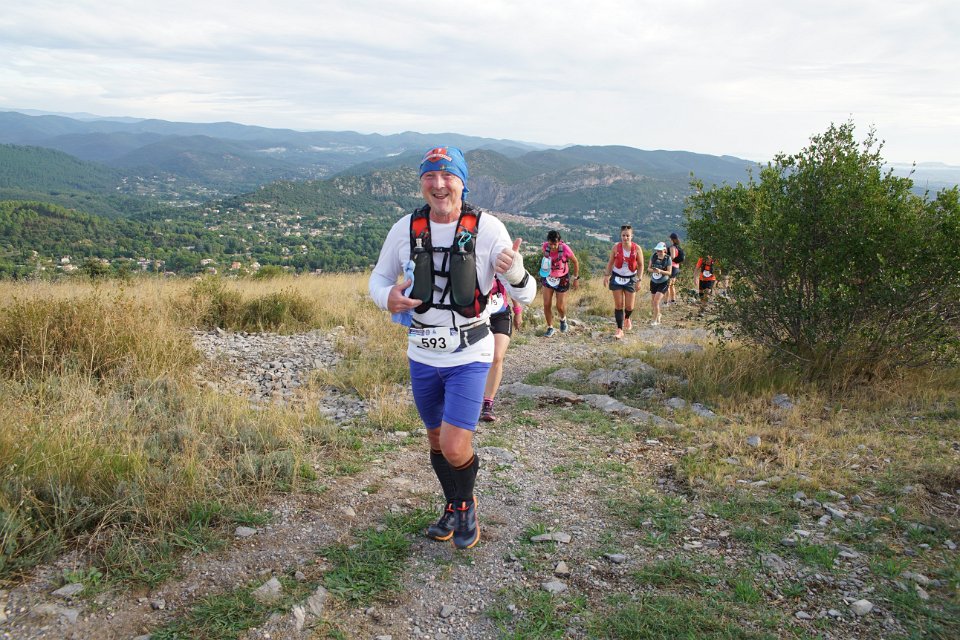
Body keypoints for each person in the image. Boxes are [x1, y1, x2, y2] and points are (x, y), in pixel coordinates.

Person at [369, 146, 536, 550]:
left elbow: (526, 294)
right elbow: (378, 278)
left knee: (454, 445)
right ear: (421, 183)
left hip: (470, 352)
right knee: (434, 439)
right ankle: (454, 504)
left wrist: (515, 272)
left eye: (448, 176)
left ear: (462, 182)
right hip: (422, 352)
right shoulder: (405, 229)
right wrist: (386, 297)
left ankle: (466, 504)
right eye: (430, 176)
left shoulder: (488, 229)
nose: (439, 185)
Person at [480, 275, 517, 422]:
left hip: (501, 313)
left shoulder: (500, 265)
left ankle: (488, 403)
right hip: (477, 314)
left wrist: (518, 310)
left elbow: (511, 284)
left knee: (497, 356)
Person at [602, 225, 643, 339]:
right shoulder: (616, 247)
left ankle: (627, 317)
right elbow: (610, 262)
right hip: (617, 277)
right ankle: (619, 329)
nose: (625, 238)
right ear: (621, 236)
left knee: (629, 306)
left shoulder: (637, 248)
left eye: (627, 236)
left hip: (631, 278)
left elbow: (640, 265)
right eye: (623, 235)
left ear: (631, 236)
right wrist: (607, 275)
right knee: (619, 305)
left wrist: (639, 280)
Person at [539, 230, 580, 337]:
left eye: (555, 244)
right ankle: (550, 327)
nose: (552, 247)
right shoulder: (545, 247)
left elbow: (575, 262)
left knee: (559, 306)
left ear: (559, 241)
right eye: (550, 244)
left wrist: (576, 278)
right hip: (548, 277)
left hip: (562, 278)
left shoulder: (565, 249)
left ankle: (563, 319)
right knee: (546, 304)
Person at [648, 242, 672, 325]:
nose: (659, 252)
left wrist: (660, 271)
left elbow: (669, 272)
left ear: (664, 250)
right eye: (657, 250)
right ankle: (658, 314)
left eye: (660, 251)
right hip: (654, 281)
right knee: (653, 301)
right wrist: (654, 270)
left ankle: (655, 320)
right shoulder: (653, 256)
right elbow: (649, 269)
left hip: (663, 282)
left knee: (656, 301)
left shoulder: (668, 258)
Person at [666, 232, 684, 305]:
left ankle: (666, 302)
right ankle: (673, 301)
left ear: (671, 239)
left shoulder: (672, 247)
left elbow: (673, 256)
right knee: (672, 285)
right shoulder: (678, 247)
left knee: (667, 285)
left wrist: (666, 261)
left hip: (672, 267)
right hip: (677, 267)